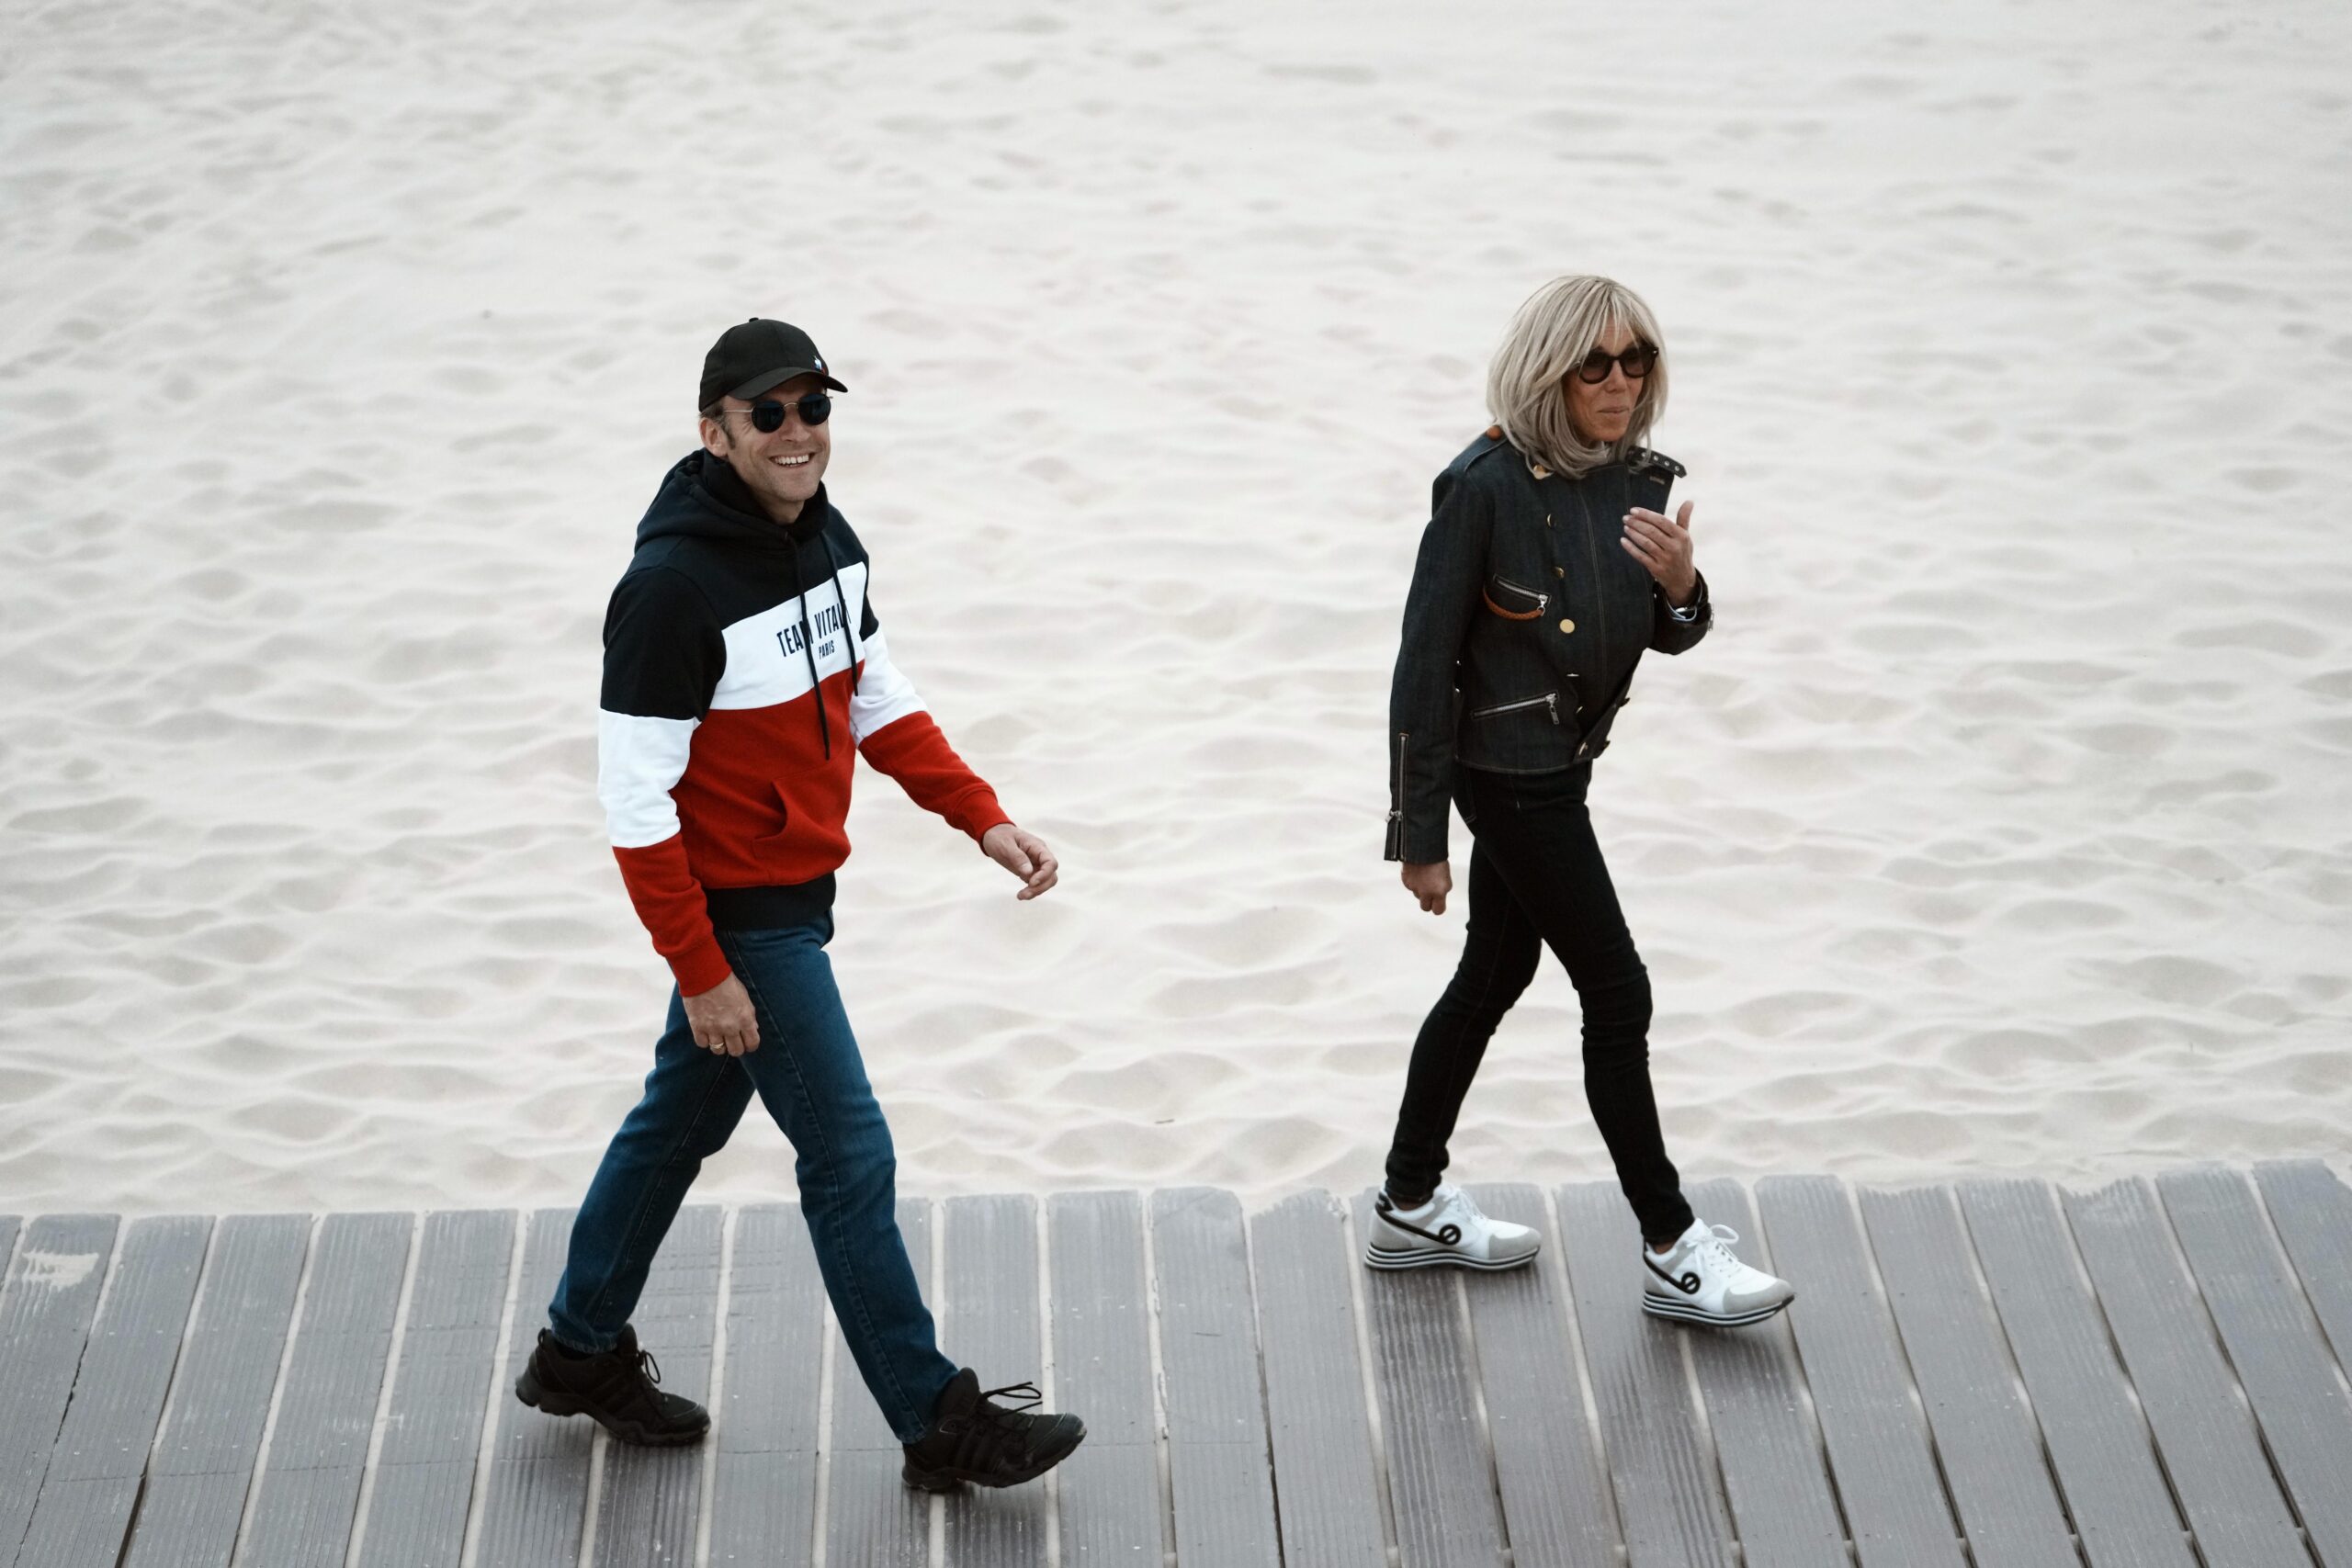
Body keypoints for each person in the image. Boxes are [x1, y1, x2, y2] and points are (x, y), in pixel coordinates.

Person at [514, 318, 1087, 1487]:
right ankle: (936, 1419)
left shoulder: (826, 539)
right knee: (848, 1154)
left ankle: (578, 1351)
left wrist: (983, 816)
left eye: (812, 409)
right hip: (741, 918)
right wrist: (703, 968)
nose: (795, 433)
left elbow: (877, 697)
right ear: (713, 430)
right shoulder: (670, 592)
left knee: (678, 1127)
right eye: (766, 414)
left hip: (797, 895)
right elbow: (634, 806)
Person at [1371, 276, 1795, 1327]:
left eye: (1635, 359)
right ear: (1547, 371)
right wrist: (1418, 835)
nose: (1619, 382)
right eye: (1593, 364)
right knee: (1618, 991)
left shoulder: (1637, 481)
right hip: (1506, 776)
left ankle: (1409, 1200)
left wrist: (1685, 584)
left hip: (1563, 765)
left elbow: (1660, 630)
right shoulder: (1480, 487)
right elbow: (1422, 666)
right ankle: (1671, 1244)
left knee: (1495, 971)